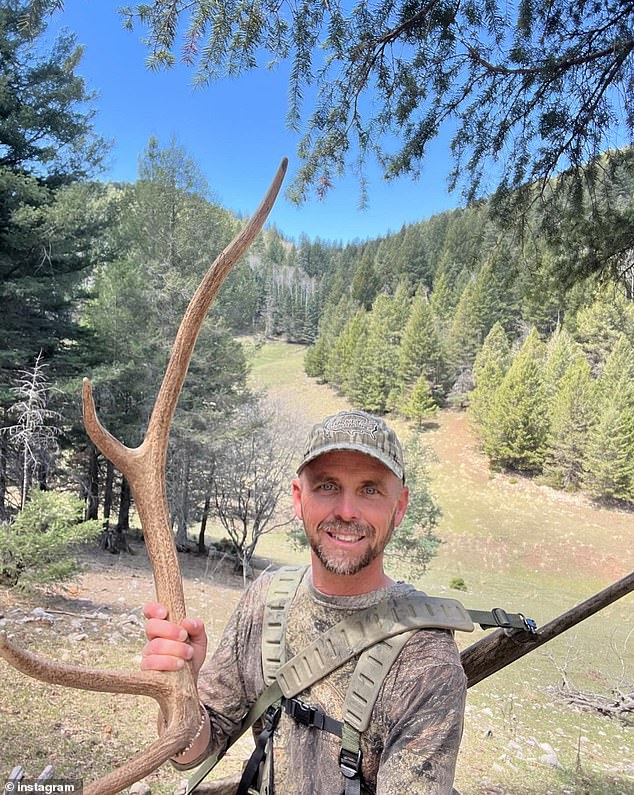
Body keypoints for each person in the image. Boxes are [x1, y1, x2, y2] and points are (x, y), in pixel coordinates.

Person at [142, 410, 467, 794]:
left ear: (399, 507)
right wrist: (181, 689)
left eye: (370, 490)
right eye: (327, 486)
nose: (347, 511)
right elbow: (192, 750)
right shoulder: (267, 600)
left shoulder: (426, 658)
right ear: (299, 499)